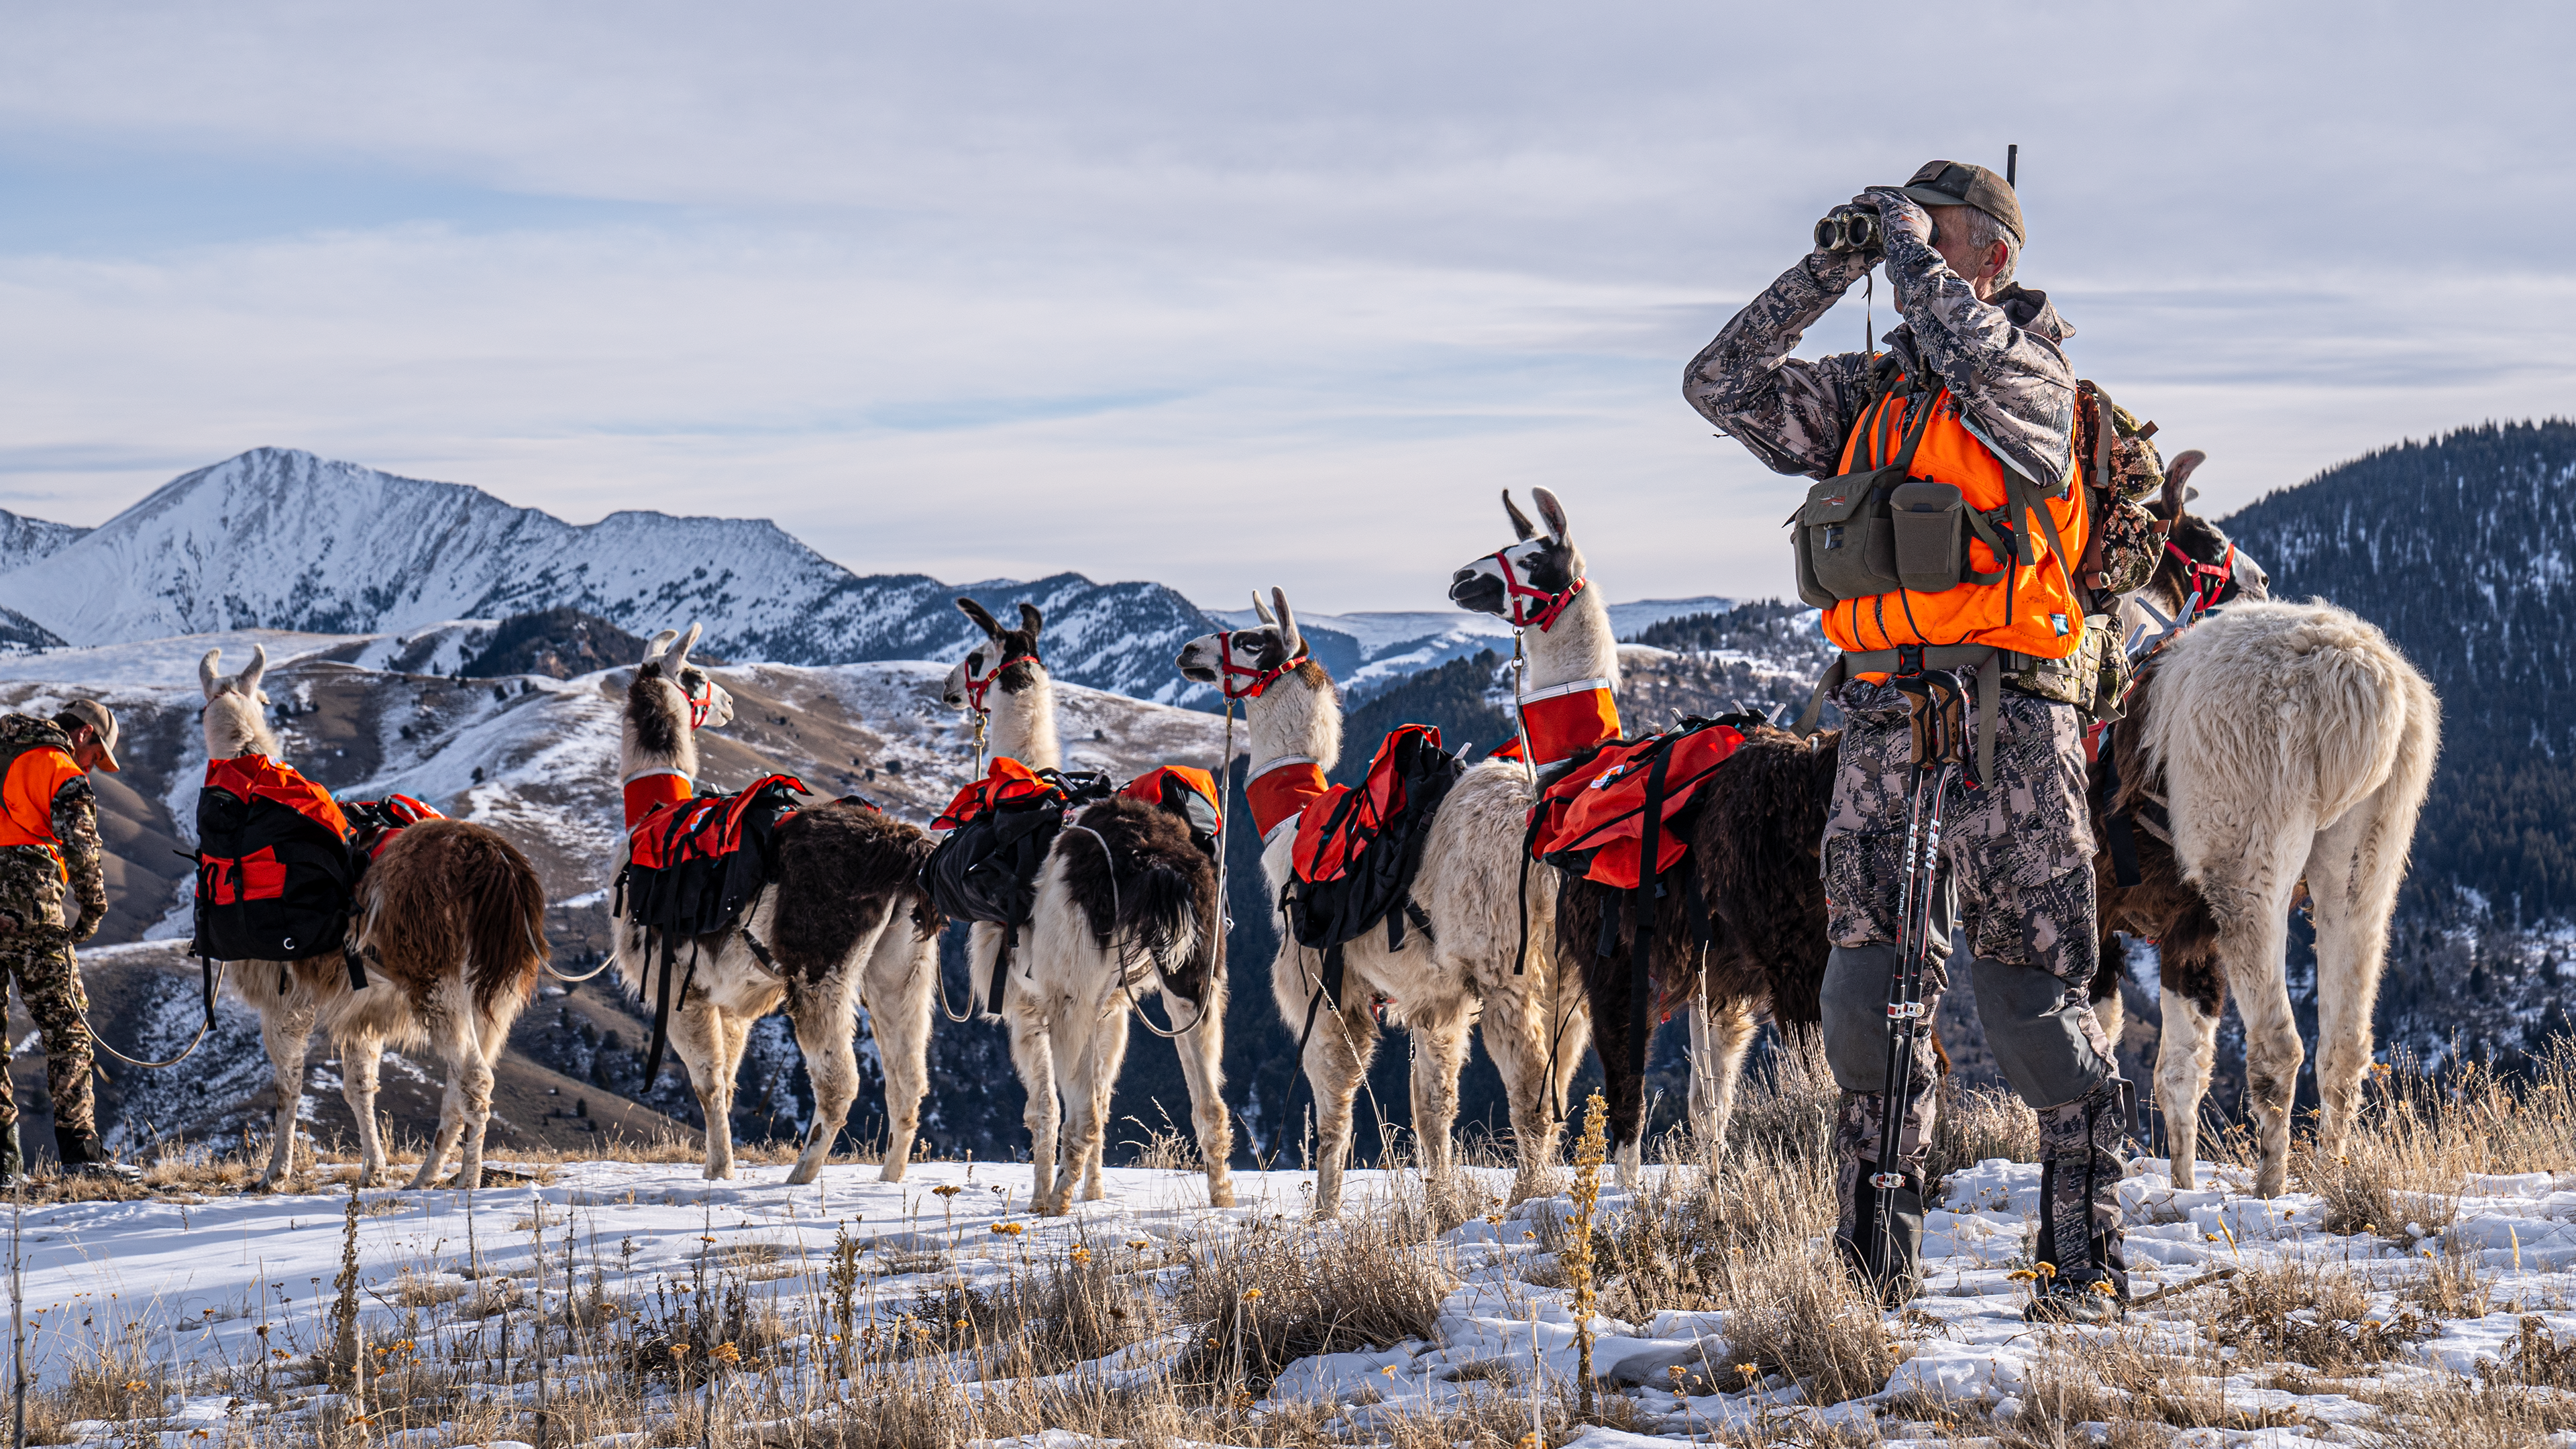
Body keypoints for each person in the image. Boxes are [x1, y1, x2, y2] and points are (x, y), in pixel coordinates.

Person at [1684, 160, 2129, 1324]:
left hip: (2011, 721)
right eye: (1908, 231)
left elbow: (1983, 367)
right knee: (1863, 997)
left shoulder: (2033, 376)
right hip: (1881, 721)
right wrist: (1828, 269)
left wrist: (1909, 257)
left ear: (1993, 254)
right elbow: (1719, 382)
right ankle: (1871, 1270)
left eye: (1939, 231)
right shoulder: (1868, 396)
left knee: (2032, 999)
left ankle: (2084, 1269)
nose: (1910, 247)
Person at [0, 698, 134, 1182]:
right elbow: (81, 846)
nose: (93, 767)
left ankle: (4, 1163)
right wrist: (93, 909)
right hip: (32, 911)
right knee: (68, 1032)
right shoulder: (60, 768)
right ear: (85, 734)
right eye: (96, 756)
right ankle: (82, 1157)